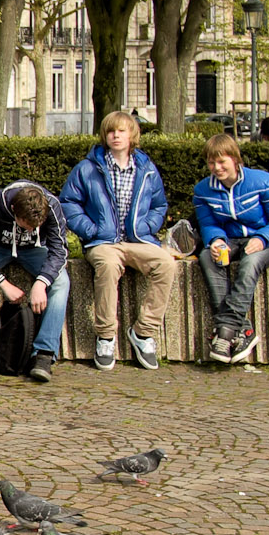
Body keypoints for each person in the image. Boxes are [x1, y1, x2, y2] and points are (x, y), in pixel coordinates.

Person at [59, 110, 173, 371]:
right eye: (111, 131)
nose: (116, 135)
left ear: (132, 134)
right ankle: (106, 336)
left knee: (166, 264)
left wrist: (147, 226)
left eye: (122, 130)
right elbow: (68, 202)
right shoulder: (87, 168)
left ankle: (143, 333)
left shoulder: (146, 168)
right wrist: (91, 230)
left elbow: (159, 204)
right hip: (102, 242)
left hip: (138, 240)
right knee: (108, 266)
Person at [193, 133, 269, 364]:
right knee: (208, 257)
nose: (216, 168)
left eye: (221, 162)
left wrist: (263, 238)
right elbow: (208, 223)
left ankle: (224, 332)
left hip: (266, 241)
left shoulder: (262, 182)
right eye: (211, 162)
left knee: (250, 263)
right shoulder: (202, 190)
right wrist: (215, 240)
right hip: (231, 240)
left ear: (235, 159)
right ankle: (242, 331)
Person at [0, 181, 71, 383]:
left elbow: (59, 251)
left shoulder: (52, 206)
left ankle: (44, 354)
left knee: (62, 281)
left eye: (35, 226)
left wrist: (41, 282)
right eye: (25, 225)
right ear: (13, 210)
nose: (30, 230)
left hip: (35, 251)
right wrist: (1, 282)